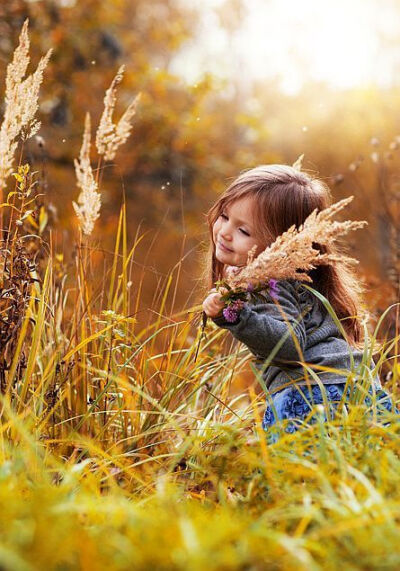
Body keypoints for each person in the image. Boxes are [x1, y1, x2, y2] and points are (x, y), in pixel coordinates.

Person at [201, 164, 398, 441]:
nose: (224, 232)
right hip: (358, 386)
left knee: (298, 478)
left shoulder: (271, 280)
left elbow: (290, 344)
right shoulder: (302, 276)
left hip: (311, 394)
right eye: (224, 216)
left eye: (244, 231)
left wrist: (235, 315)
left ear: (282, 244)